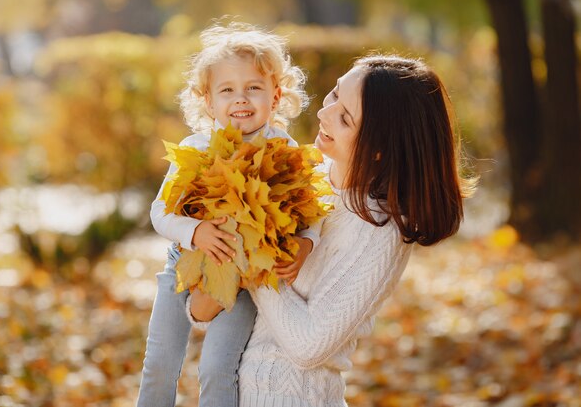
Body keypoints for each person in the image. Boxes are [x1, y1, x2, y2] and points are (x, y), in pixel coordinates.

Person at [189, 55, 476, 407]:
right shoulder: (298, 174)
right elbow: (203, 311)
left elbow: (310, 347)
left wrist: (254, 257)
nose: (325, 114)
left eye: (345, 117)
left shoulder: (380, 231)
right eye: (334, 95)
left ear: (380, 148)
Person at [137, 22, 320, 407]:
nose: (241, 98)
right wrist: (195, 230)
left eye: (254, 87)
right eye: (227, 90)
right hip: (183, 264)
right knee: (159, 362)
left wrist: (307, 242)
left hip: (242, 280)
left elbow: (310, 206)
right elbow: (159, 212)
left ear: (276, 95)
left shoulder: (282, 149)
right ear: (208, 100)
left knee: (218, 366)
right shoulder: (196, 148)